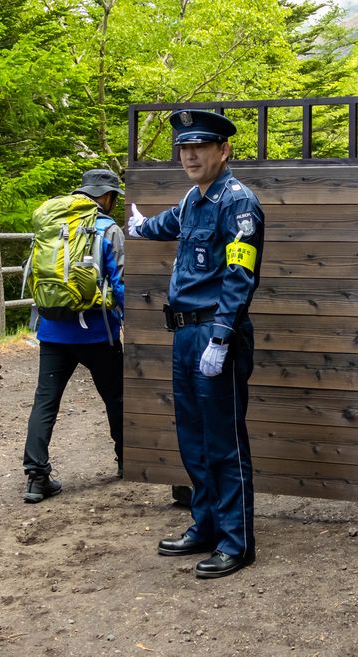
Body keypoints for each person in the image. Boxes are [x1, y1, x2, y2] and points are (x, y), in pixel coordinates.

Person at [128, 109, 265, 579]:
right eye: (184, 148)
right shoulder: (193, 199)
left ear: (223, 150)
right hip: (185, 334)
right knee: (193, 438)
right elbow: (171, 224)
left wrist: (223, 337)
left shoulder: (238, 202)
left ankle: (236, 541)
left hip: (214, 333)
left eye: (200, 146)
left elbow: (239, 275)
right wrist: (140, 226)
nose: (189, 155)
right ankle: (205, 525)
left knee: (223, 441)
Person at [22, 169, 126, 503]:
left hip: (52, 330)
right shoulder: (108, 229)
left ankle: (36, 477)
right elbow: (120, 281)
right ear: (107, 197)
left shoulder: (52, 224)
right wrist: (128, 318)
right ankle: (127, 459)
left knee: (45, 401)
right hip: (98, 331)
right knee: (116, 397)